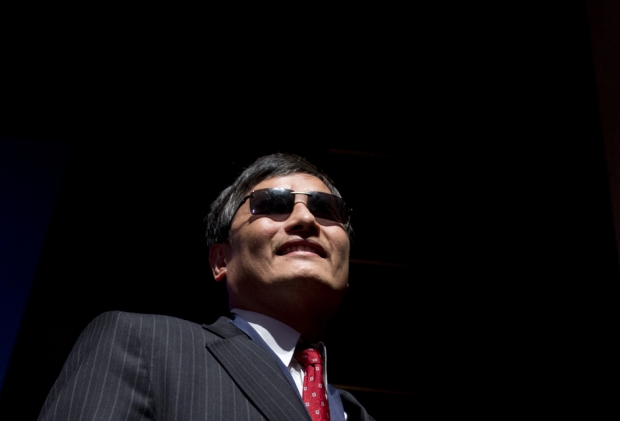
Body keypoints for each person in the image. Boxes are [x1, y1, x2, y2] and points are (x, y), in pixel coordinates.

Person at [37, 152, 376, 421]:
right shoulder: (142, 344)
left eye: (325, 209)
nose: (305, 219)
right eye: (273, 204)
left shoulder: (355, 413)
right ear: (220, 261)